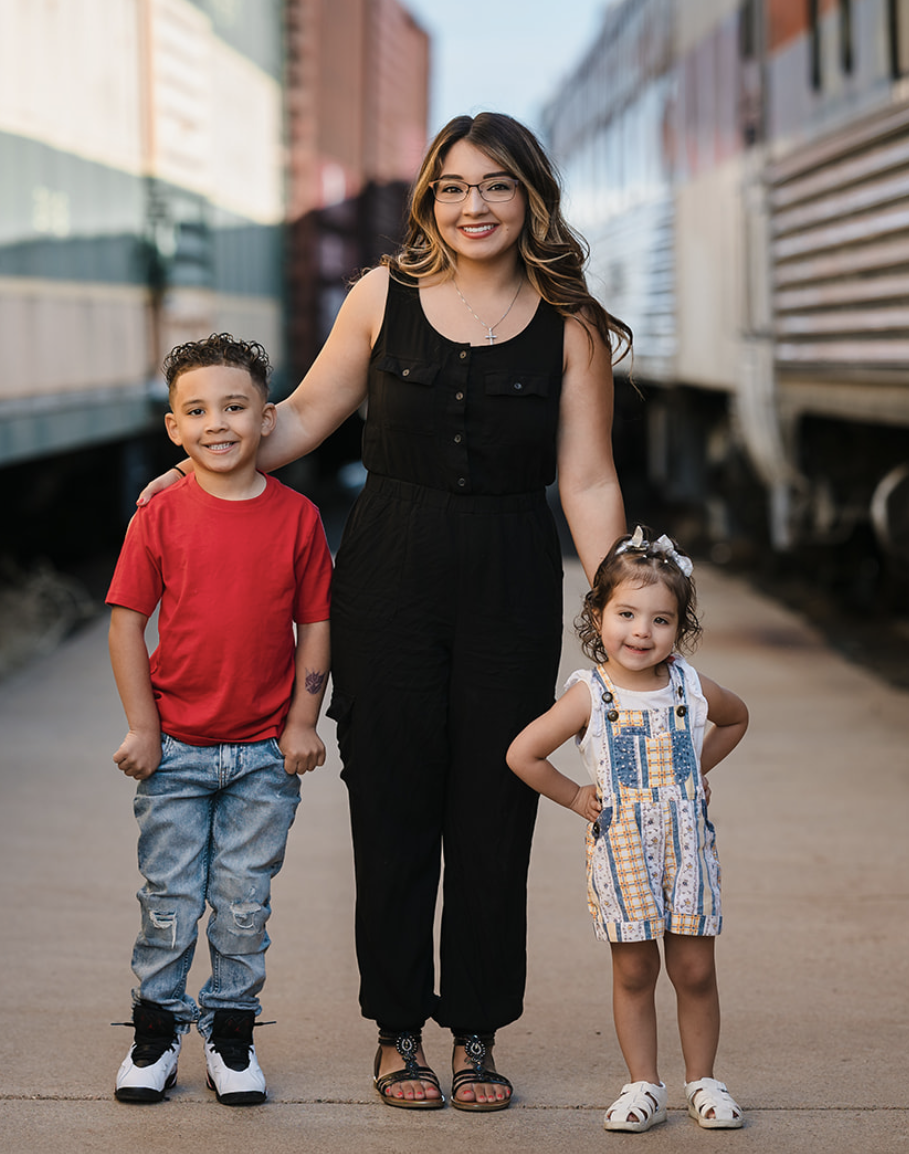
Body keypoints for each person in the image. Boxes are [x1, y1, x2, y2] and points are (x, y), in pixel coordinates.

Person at [136, 112, 631, 1110]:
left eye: (495, 185)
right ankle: (398, 1028)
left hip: (508, 578)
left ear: (530, 196)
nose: (473, 206)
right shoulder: (380, 296)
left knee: (494, 804)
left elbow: (585, 479)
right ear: (428, 200)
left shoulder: (569, 324)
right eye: (452, 187)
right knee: (394, 803)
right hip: (389, 576)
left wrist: (622, 601)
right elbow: (309, 415)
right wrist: (193, 474)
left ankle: (479, 1032)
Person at [106, 333, 334, 1108]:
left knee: (243, 904)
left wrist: (304, 719)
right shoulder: (160, 515)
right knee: (168, 899)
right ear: (173, 428)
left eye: (235, 407)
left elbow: (317, 625)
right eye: (197, 411)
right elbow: (126, 623)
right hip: (176, 751)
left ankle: (231, 1035)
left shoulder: (298, 518)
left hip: (265, 755)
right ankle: (157, 1032)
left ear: (267, 418)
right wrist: (144, 727)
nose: (217, 423)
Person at [506, 528, 749, 1132]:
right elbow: (523, 754)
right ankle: (644, 1083)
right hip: (623, 851)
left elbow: (737, 717)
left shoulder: (690, 687)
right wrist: (575, 796)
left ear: (679, 628)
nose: (642, 632)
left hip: (688, 852)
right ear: (597, 614)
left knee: (695, 969)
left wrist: (696, 767)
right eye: (626, 614)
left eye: (661, 619)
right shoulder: (593, 695)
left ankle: (704, 1081)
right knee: (635, 970)